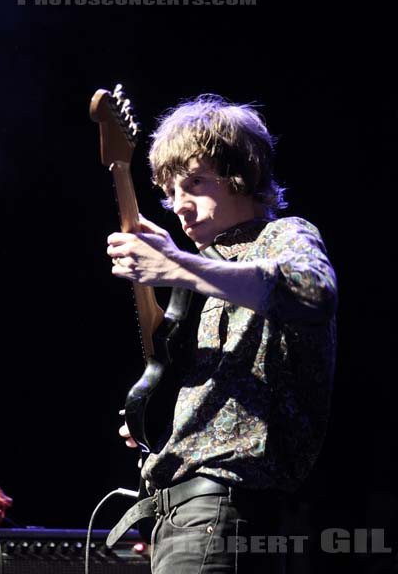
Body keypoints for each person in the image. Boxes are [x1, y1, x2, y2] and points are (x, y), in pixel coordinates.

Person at [107, 94, 337, 573]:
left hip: (222, 509)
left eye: (194, 183)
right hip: (182, 516)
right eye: (171, 192)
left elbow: (313, 291)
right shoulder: (211, 278)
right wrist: (159, 421)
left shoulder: (284, 235)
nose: (180, 206)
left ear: (243, 174)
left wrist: (177, 264)